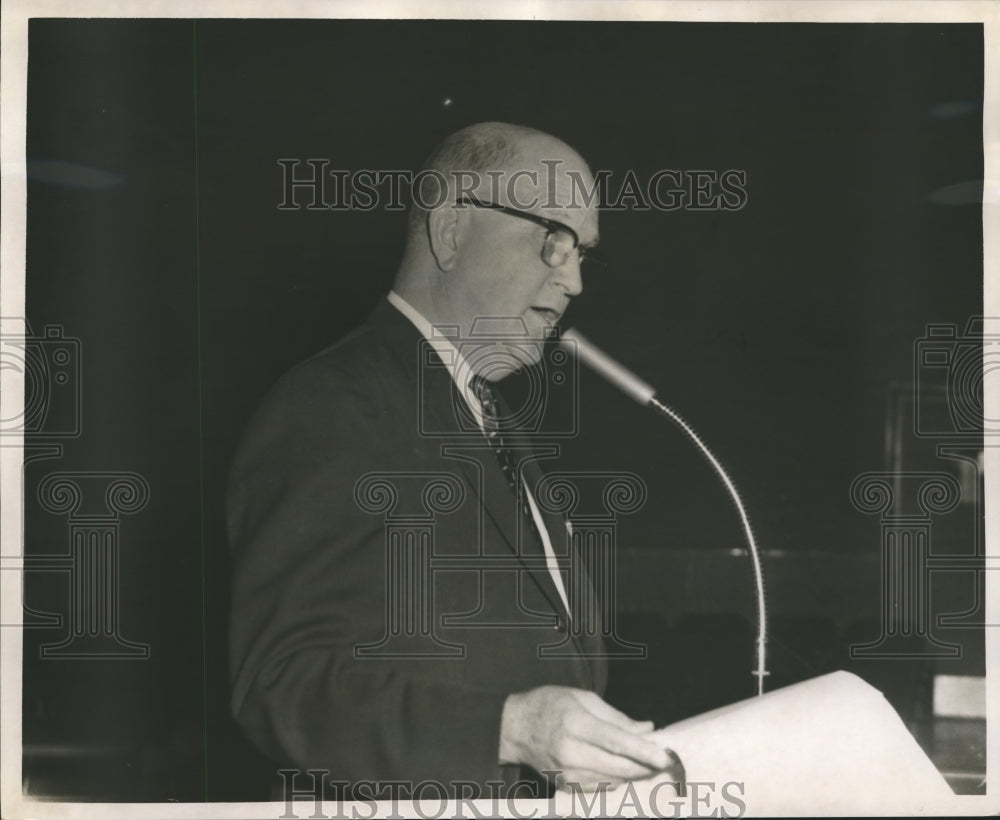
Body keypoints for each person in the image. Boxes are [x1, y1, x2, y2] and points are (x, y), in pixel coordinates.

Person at [226, 122, 677, 798]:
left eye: (584, 252)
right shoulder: (334, 403)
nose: (575, 279)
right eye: (552, 239)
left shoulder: (491, 416)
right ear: (451, 229)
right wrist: (510, 729)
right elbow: (280, 680)